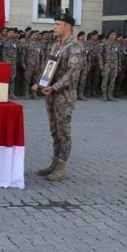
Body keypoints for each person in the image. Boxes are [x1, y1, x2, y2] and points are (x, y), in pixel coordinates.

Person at [31, 13, 81, 182]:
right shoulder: (56, 46)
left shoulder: (75, 46)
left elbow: (73, 72)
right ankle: (54, 162)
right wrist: (41, 83)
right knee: (54, 130)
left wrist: (55, 87)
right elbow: (48, 68)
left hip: (64, 96)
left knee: (64, 131)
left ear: (68, 26)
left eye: (58, 24)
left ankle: (62, 166)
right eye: (55, 24)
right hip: (51, 94)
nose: (55, 27)